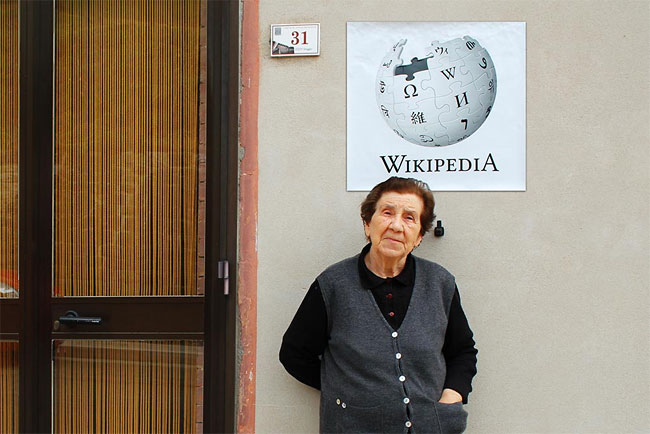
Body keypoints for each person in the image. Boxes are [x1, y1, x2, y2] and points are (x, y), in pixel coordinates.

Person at [280, 176, 478, 434]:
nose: (396, 225)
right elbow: (294, 354)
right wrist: (345, 392)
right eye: (387, 213)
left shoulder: (440, 283)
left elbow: (463, 351)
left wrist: (450, 399)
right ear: (367, 224)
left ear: (419, 236)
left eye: (409, 218)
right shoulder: (333, 285)